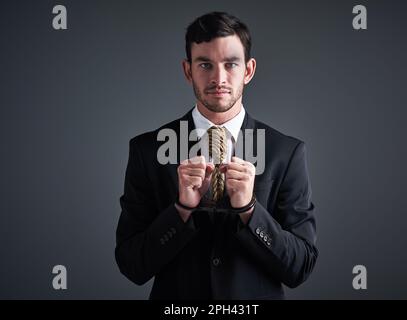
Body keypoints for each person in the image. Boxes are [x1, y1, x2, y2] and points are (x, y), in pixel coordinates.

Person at [115, 11, 318, 300]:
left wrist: (250, 210)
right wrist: (181, 210)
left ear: (248, 70)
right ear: (188, 71)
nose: (218, 78)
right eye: (205, 65)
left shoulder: (286, 152)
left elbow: (300, 267)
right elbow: (132, 265)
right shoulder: (147, 151)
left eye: (230, 64)